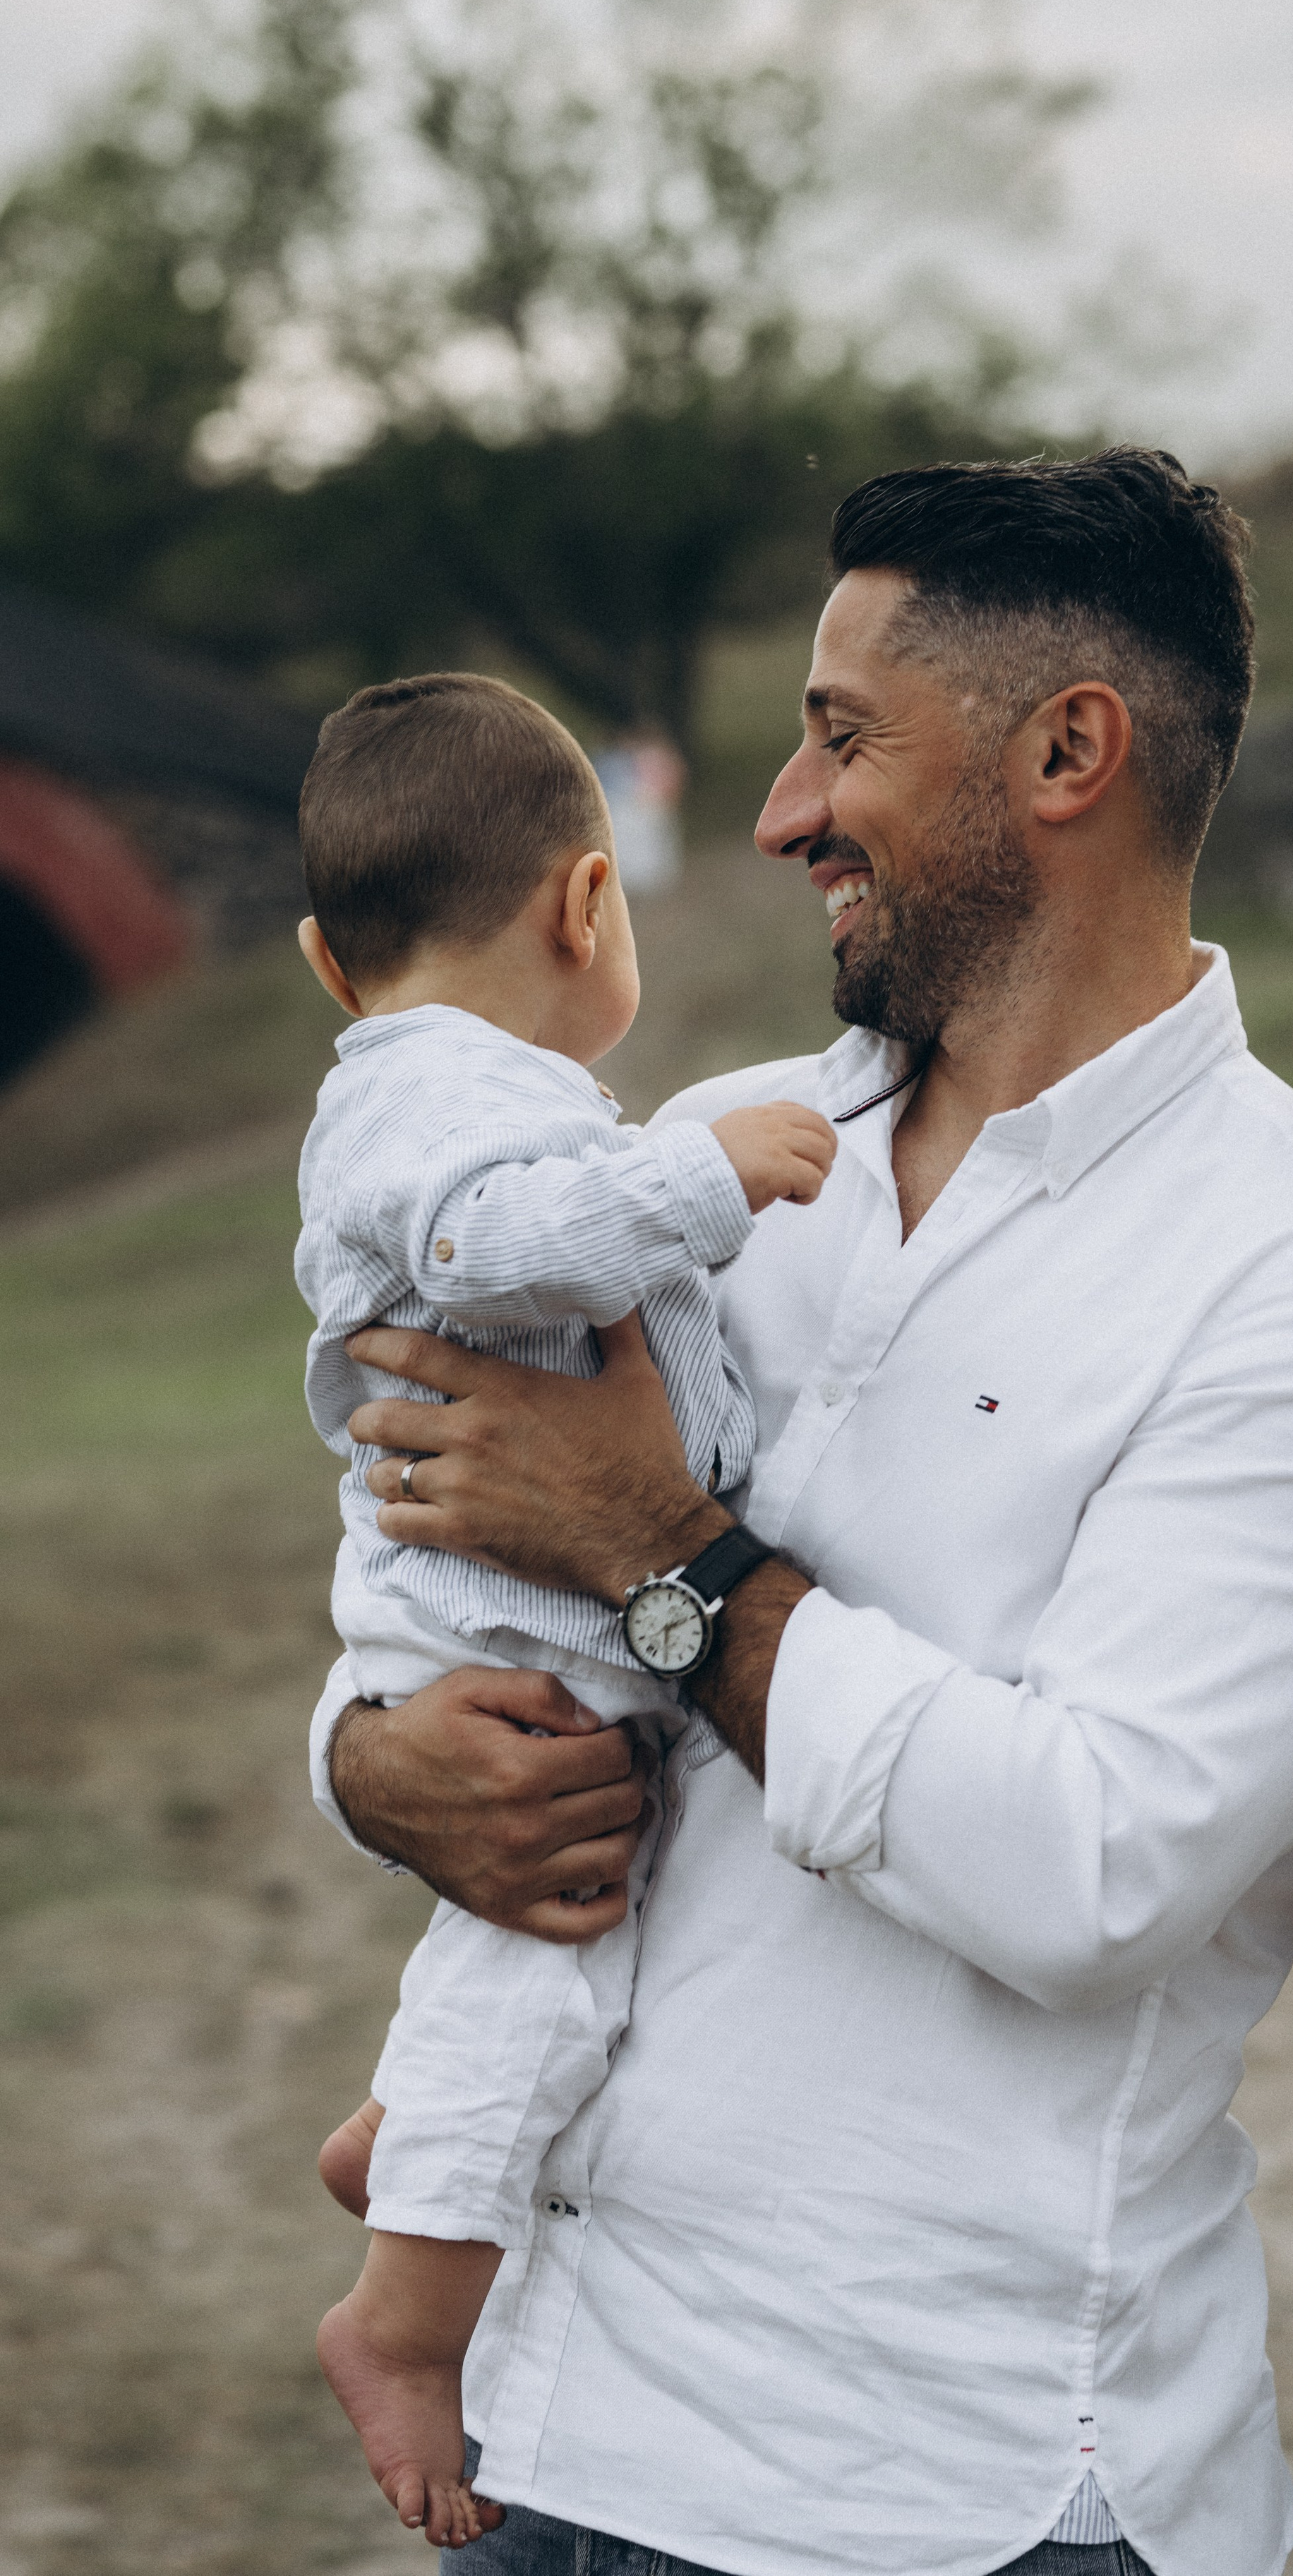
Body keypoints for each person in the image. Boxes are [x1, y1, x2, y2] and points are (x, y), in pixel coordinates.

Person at [308, 447, 1293, 2576]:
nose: (777, 814)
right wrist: (374, 1766)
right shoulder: (719, 1161)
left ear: (1067, 752)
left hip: (943, 2491)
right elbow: (447, 1548)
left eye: (841, 740)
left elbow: (1092, 1871)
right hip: (550, 2415)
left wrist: (664, 1559)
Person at [292, 671, 836, 2547]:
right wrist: (702, 1176)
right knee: (558, 1928)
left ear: (314, 956)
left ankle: (426, 2137)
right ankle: (404, 2324)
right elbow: (481, 1247)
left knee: (565, 1945)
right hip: (503, 1631)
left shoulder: (456, 1082)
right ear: (588, 906)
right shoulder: (445, 1100)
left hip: (524, 1616)